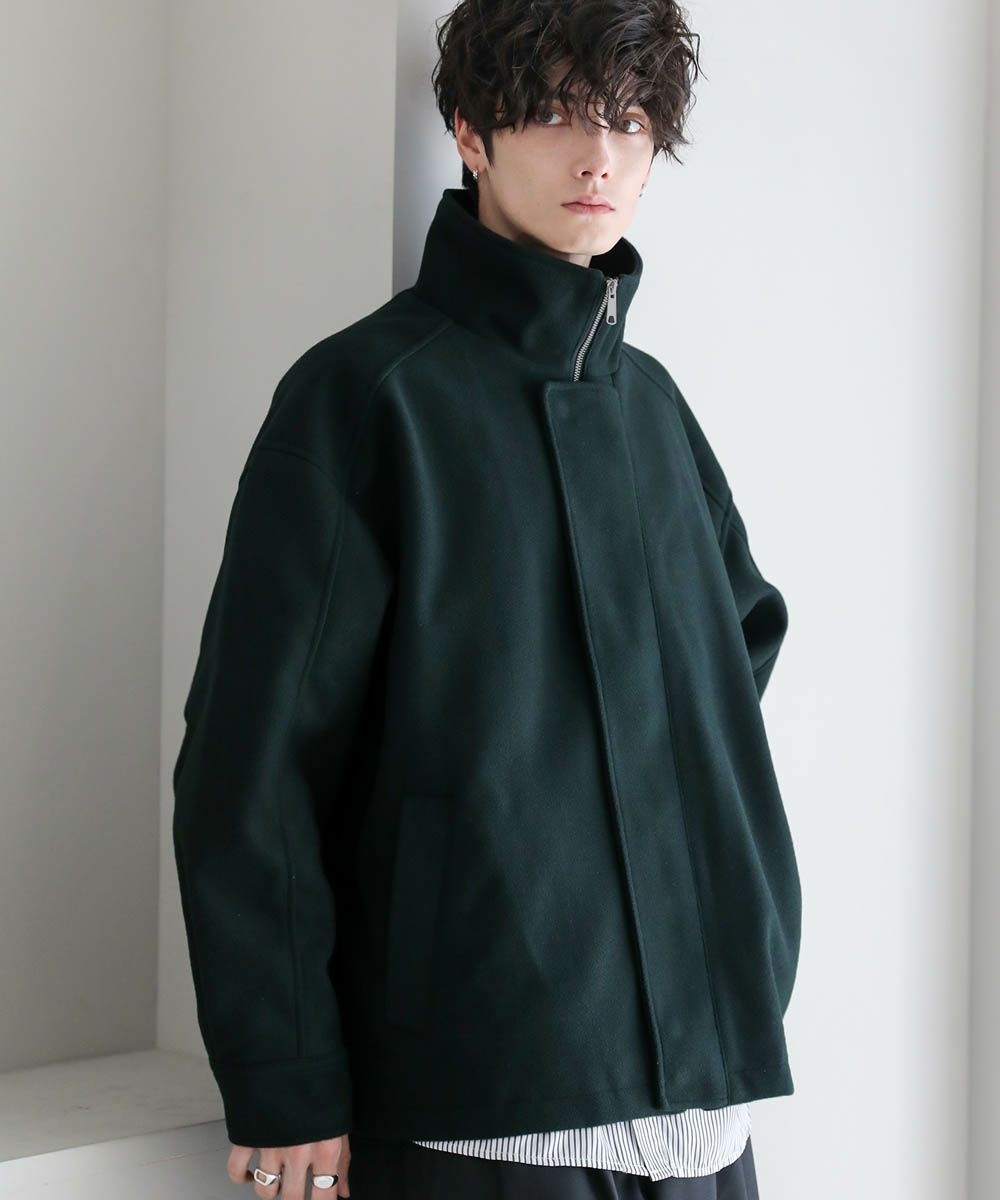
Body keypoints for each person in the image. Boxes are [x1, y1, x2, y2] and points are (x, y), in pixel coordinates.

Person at [171, 2, 801, 1198]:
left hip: (704, 1115)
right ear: (470, 131)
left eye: (629, 122)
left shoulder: (653, 407)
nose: (599, 156)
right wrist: (285, 1074)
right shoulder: (366, 398)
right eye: (558, 113)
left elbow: (740, 643)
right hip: (481, 1105)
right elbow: (250, 763)